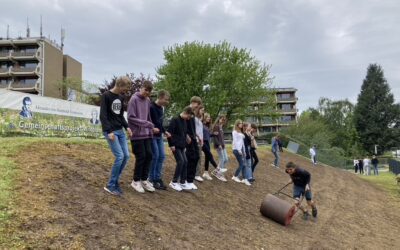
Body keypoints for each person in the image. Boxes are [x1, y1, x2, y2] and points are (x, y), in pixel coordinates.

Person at [100, 76, 133, 196]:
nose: (126, 90)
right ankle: (110, 185)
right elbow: (103, 116)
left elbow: (120, 116)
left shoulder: (120, 97)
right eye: (126, 87)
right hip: (111, 131)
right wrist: (109, 131)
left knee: (126, 156)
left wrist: (127, 127)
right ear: (119, 85)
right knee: (119, 156)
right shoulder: (106, 96)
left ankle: (115, 181)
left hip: (120, 130)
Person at [128, 81, 159, 193]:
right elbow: (131, 118)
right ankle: (135, 181)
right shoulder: (133, 99)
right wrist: (147, 124)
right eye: (146, 90)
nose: (147, 93)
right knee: (141, 156)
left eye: (149, 91)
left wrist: (152, 127)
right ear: (141, 88)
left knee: (149, 155)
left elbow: (148, 117)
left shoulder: (147, 101)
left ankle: (144, 179)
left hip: (146, 134)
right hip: (136, 134)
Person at [167, 106, 194, 191]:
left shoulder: (185, 121)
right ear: (186, 112)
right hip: (175, 145)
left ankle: (182, 182)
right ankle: (174, 182)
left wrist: (187, 137)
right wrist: (171, 144)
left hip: (182, 145)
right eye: (189, 116)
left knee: (185, 161)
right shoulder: (175, 120)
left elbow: (184, 132)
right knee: (181, 161)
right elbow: (169, 133)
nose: (189, 119)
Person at [149, 90, 171, 190]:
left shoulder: (161, 108)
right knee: (155, 156)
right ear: (161, 97)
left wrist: (164, 131)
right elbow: (150, 121)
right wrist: (153, 128)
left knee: (162, 156)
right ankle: (151, 179)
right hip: (152, 136)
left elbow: (160, 123)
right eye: (166, 99)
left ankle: (157, 178)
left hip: (159, 136)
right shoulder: (151, 107)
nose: (167, 101)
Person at [185, 96, 203, 190]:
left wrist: (197, 136)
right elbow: (183, 123)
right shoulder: (187, 110)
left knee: (196, 157)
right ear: (193, 102)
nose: (198, 107)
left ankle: (190, 180)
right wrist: (186, 135)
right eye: (198, 104)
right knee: (190, 158)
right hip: (188, 138)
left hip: (193, 138)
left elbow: (193, 127)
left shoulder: (193, 112)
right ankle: (185, 179)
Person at [231, 120, 252, 186]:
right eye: (240, 123)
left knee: (244, 164)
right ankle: (235, 176)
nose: (241, 124)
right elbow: (235, 141)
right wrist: (239, 150)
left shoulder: (241, 131)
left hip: (242, 150)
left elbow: (242, 142)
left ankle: (244, 179)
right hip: (236, 149)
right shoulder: (234, 132)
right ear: (237, 124)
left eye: (242, 123)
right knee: (242, 164)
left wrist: (244, 151)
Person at [201, 113, 219, 181]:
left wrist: (213, 134)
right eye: (208, 117)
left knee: (207, 157)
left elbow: (208, 135)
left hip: (207, 142)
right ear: (204, 117)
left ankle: (205, 173)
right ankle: (217, 168)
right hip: (203, 142)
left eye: (209, 117)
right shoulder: (201, 125)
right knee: (209, 155)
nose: (209, 118)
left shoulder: (207, 126)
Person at [212, 115, 228, 181]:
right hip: (219, 146)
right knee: (222, 159)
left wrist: (223, 144)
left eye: (224, 120)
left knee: (226, 159)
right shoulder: (216, 126)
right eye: (221, 119)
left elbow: (221, 137)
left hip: (223, 145)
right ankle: (219, 174)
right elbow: (215, 137)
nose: (222, 121)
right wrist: (218, 144)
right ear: (219, 119)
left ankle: (216, 171)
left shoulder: (221, 127)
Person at [194, 105, 205, 182]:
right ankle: (196, 174)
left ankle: (197, 174)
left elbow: (200, 131)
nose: (203, 112)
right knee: (197, 157)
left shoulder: (199, 120)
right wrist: (198, 137)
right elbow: (194, 130)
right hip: (196, 140)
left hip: (200, 140)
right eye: (202, 110)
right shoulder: (194, 119)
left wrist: (202, 139)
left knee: (199, 157)